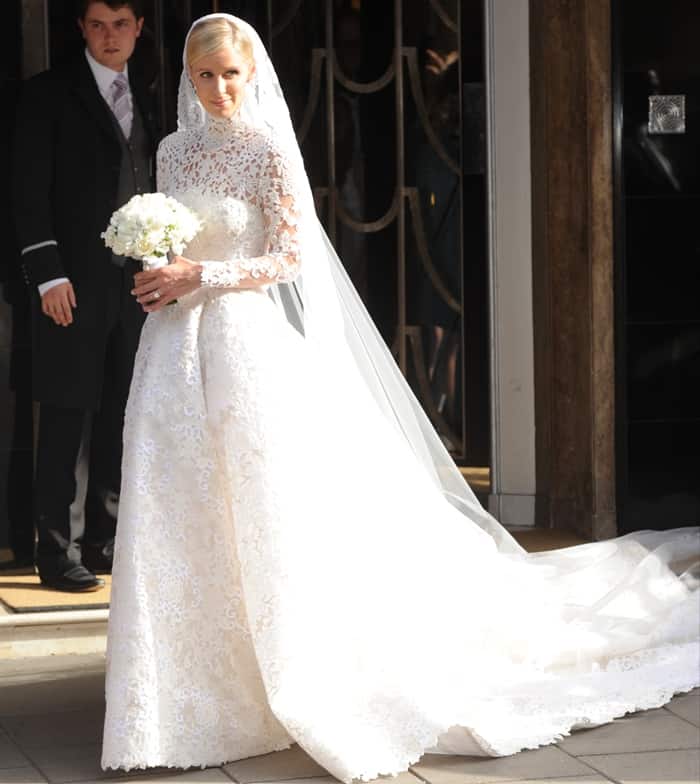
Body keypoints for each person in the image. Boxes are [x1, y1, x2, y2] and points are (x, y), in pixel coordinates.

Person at [102, 13, 699, 782]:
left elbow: (288, 257)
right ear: (185, 78)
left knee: (263, 509)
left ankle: (281, 676)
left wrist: (203, 277)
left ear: (252, 77)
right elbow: (179, 238)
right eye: (203, 75)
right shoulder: (171, 149)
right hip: (174, 352)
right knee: (180, 509)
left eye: (231, 75)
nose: (218, 89)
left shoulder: (266, 150)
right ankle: (191, 690)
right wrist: (160, 269)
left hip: (244, 348)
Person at [12, 0, 157, 591]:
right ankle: (56, 549)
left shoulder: (149, 93)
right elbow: (26, 190)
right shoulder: (47, 94)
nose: (110, 36)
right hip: (70, 284)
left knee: (123, 411)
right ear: (81, 29)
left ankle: (105, 539)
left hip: (136, 286)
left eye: (121, 24)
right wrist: (47, 273)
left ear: (139, 28)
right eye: (98, 25)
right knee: (69, 412)